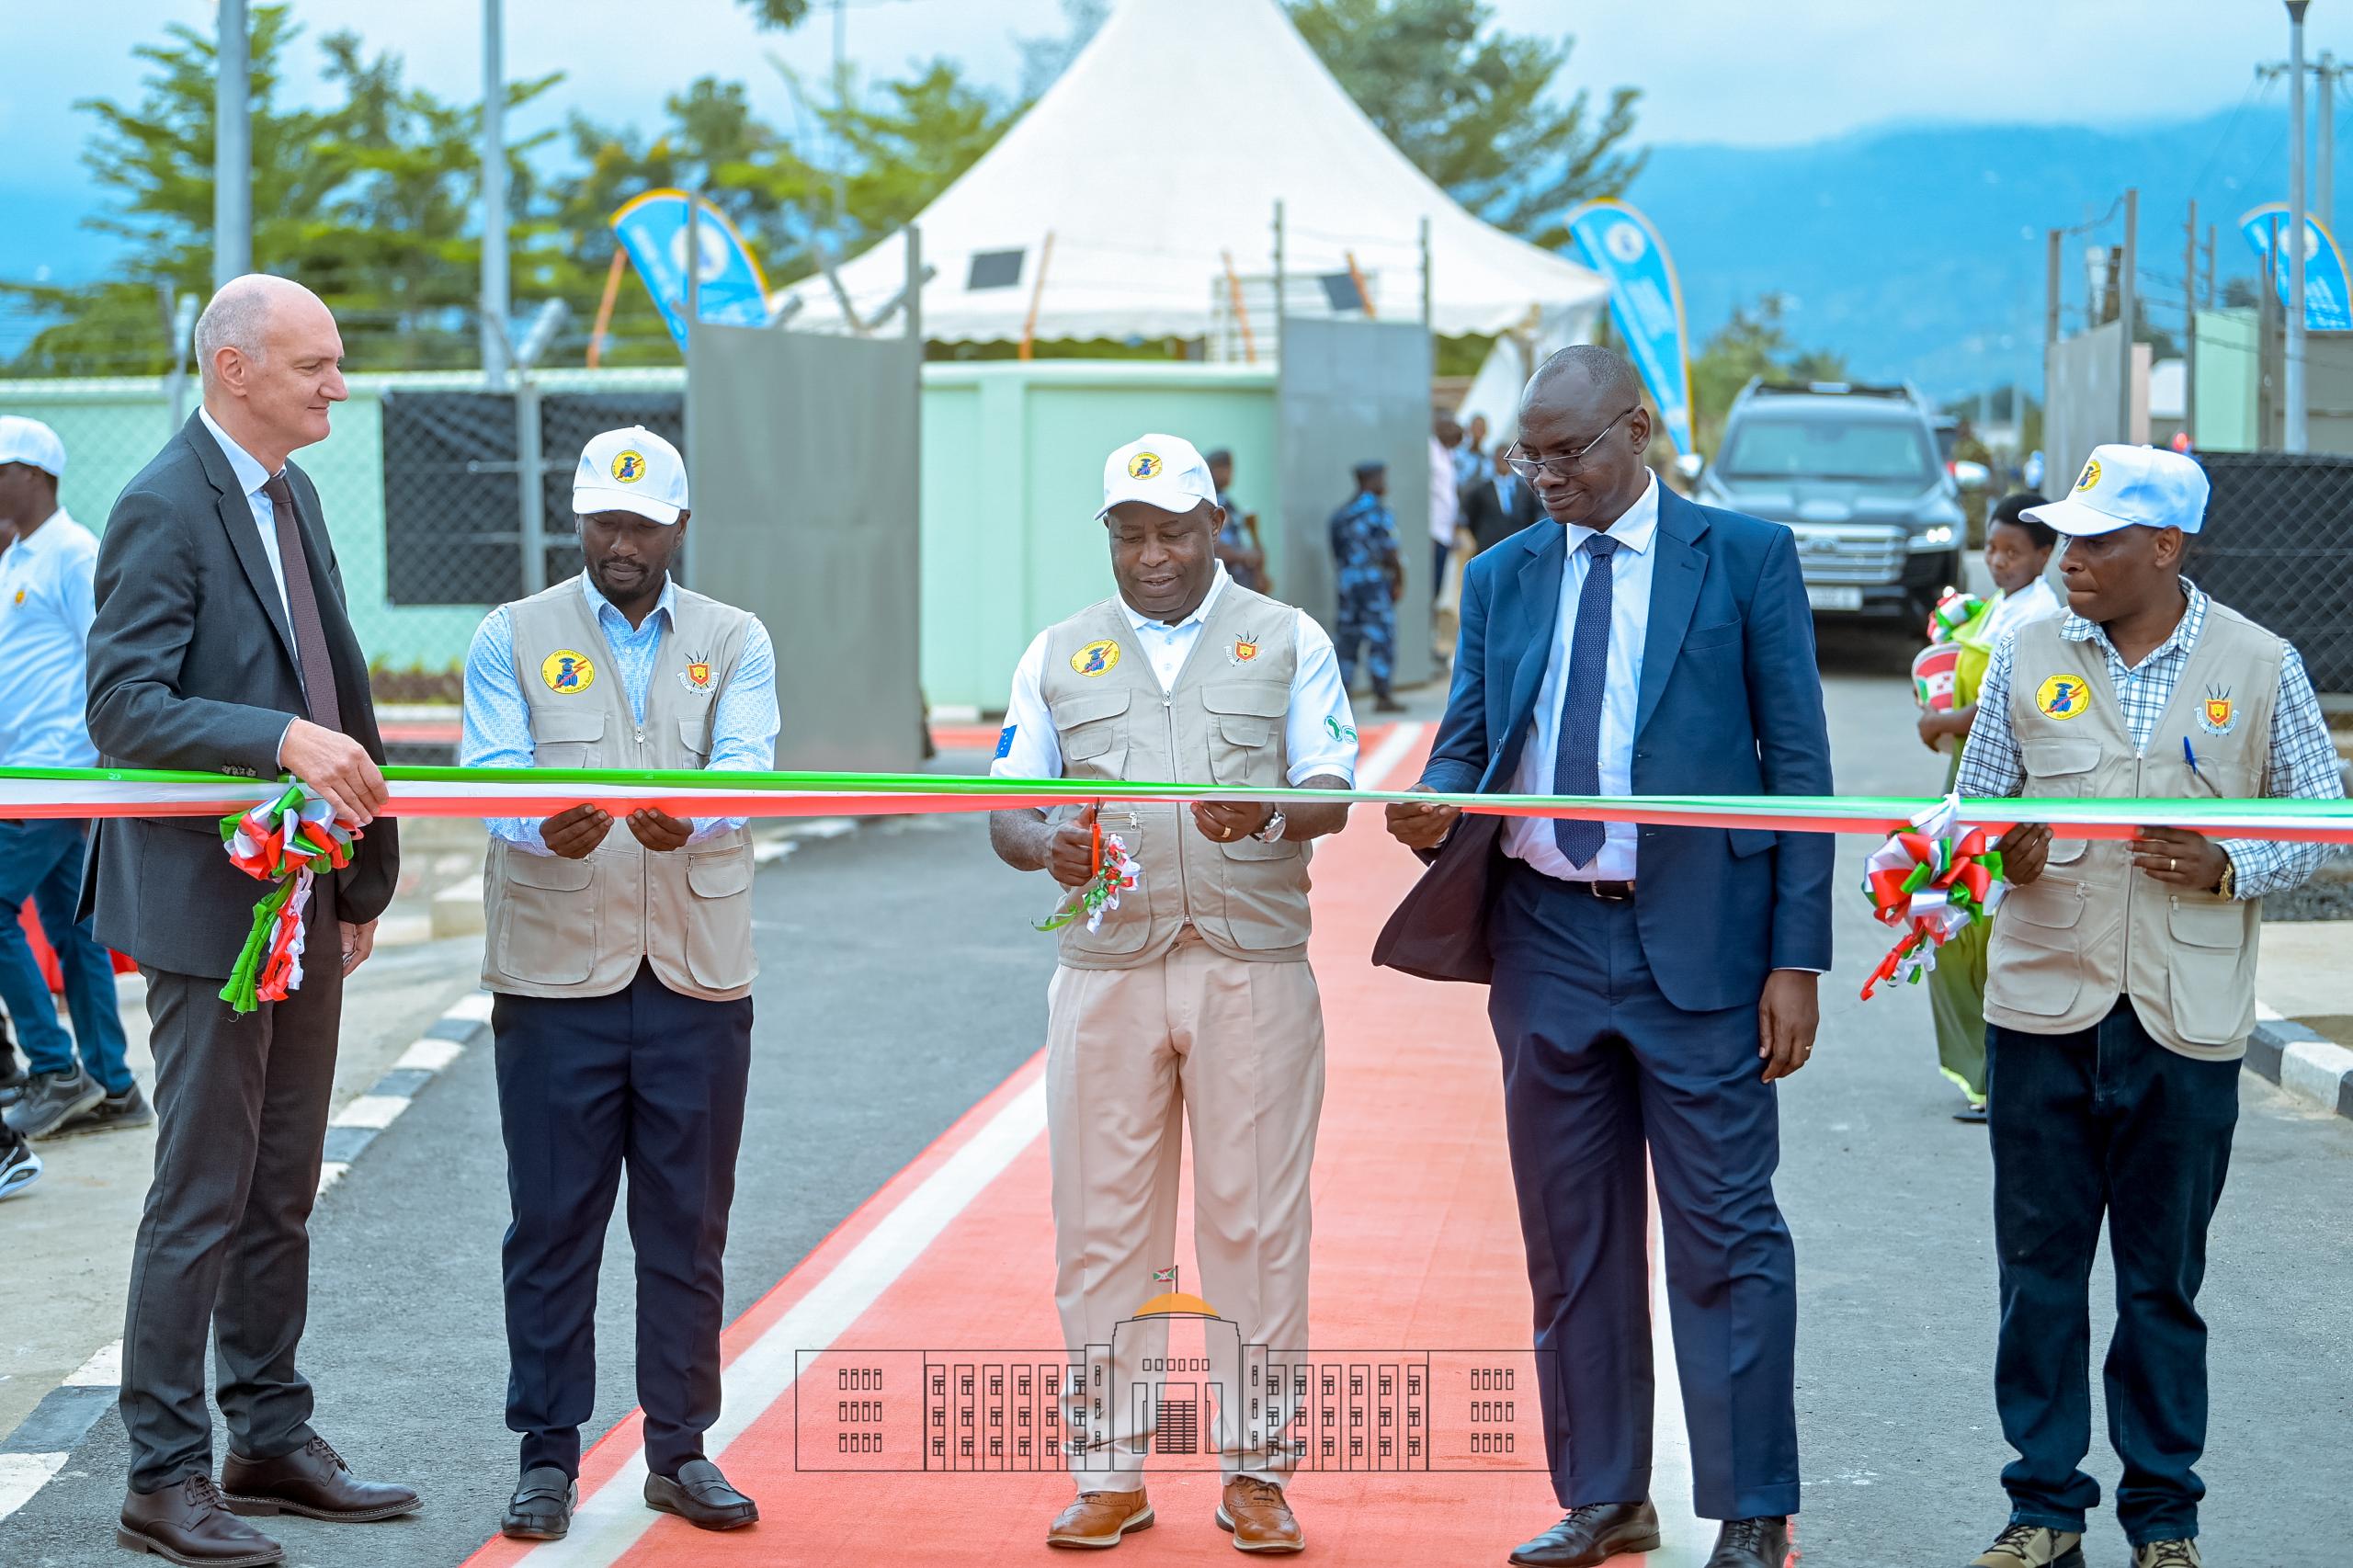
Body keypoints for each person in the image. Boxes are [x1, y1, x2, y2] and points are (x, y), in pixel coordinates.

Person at [1377, 346, 1832, 1568]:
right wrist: (1434, 802)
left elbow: (1799, 770)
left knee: (1728, 1236)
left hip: (1707, 948)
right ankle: (1604, 1492)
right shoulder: (1503, 575)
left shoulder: (1744, 559)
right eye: (1529, 456)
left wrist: (1798, 956)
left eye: (1568, 451)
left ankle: (1751, 1508)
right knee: (1570, 1232)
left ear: (1639, 431)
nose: (1544, 478)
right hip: (1546, 938)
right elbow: (1467, 741)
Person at [1954, 445, 2344, 1568]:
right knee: (2036, 1273)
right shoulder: (2025, 651)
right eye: (2064, 539)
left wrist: (2230, 861)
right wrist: (1996, 850)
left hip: (2185, 1018)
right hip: (2041, 1009)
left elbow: (2323, 824)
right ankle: (2041, 1508)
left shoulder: (2260, 663)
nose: (2067, 560)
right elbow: (1964, 814)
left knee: (2161, 1283)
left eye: (2095, 541)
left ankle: (2163, 1520)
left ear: (2163, 549)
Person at [85, 275, 413, 1567]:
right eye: (316, 364)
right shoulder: (165, 504)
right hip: (213, 914)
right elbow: (124, 708)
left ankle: (267, 1433)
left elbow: (341, 682)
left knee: (280, 1186)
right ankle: (160, 1474)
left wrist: (363, 877)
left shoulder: (291, 492)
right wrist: (273, 736)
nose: (338, 385)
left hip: (304, 893)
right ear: (234, 366)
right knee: (203, 1189)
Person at [989, 433, 1358, 1555]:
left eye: (1174, 532)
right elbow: (1008, 801)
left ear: (1216, 529)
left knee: (1254, 1223)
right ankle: (1108, 1469)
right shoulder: (1057, 653)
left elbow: (1332, 790)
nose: (1152, 555)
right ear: (1109, 535)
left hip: (1250, 964)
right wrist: (1042, 838)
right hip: (1105, 970)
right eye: (1130, 534)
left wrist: (1269, 814)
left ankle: (1256, 1466)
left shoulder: (1286, 639)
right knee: (1100, 1227)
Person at [461, 426, 778, 1541]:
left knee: (686, 1229)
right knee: (550, 1225)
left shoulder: (735, 638)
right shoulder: (512, 635)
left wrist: (696, 809)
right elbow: (490, 777)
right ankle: (545, 1454)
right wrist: (539, 829)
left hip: (695, 977)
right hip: (556, 981)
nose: (620, 540)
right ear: (580, 520)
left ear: (680, 525)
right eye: (603, 518)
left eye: (641, 522)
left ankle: (679, 1449)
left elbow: (749, 767)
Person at [0, 418, 142, 1142]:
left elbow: (111, 663)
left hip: (59, 773)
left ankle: (55, 1071)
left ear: (34, 476)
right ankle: (113, 1086)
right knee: (76, 930)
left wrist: (101, 762)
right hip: (25, 776)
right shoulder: (17, 558)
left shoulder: (74, 553)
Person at [1915, 492, 2061, 1120]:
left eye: (2013, 552)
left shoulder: (2040, 616)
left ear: (2047, 554)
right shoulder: (2001, 607)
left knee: (1980, 924)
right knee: (1954, 922)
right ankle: (1984, 1072)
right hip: (1967, 770)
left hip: (2005, 781)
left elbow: (2006, 699)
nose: (2000, 562)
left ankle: (2000, 1075)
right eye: (1993, 550)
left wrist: (1945, 717)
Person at [1329, 459, 1405, 713]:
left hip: (1348, 584)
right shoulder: (1379, 511)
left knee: (1348, 639)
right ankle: (1383, 696)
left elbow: (1336, 551)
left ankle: (1341, 696)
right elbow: (1390, 551)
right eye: (1381, 479)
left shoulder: (1341, 514)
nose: (1385, 484)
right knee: (1381, 638)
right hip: (1373, 585)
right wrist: (1399, 578)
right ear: (1369, 481)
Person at [1207, 447, 1269, 595]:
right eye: (1226, 468)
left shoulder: (1227, 501)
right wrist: (1245, 556)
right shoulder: (1211, 502)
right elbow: (1213, 546)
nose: (1230, 474)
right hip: (1222, 581)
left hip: (1240, 580)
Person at [1460, 444, 1541, 555]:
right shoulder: (1480, 491)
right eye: (1500, 458)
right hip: (1488, 548)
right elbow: (1471, 517)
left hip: (1517, 548)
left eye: (1506, 458)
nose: (1503, 462)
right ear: (1494, 460)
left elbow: (1531, 516)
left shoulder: (1526, 491)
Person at [1430, 417, 1464, 597]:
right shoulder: (1430, 451)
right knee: (1430, 584)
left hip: (1445, 533)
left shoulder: (1448, 454)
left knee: (1437, 587)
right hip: (1432, 531)